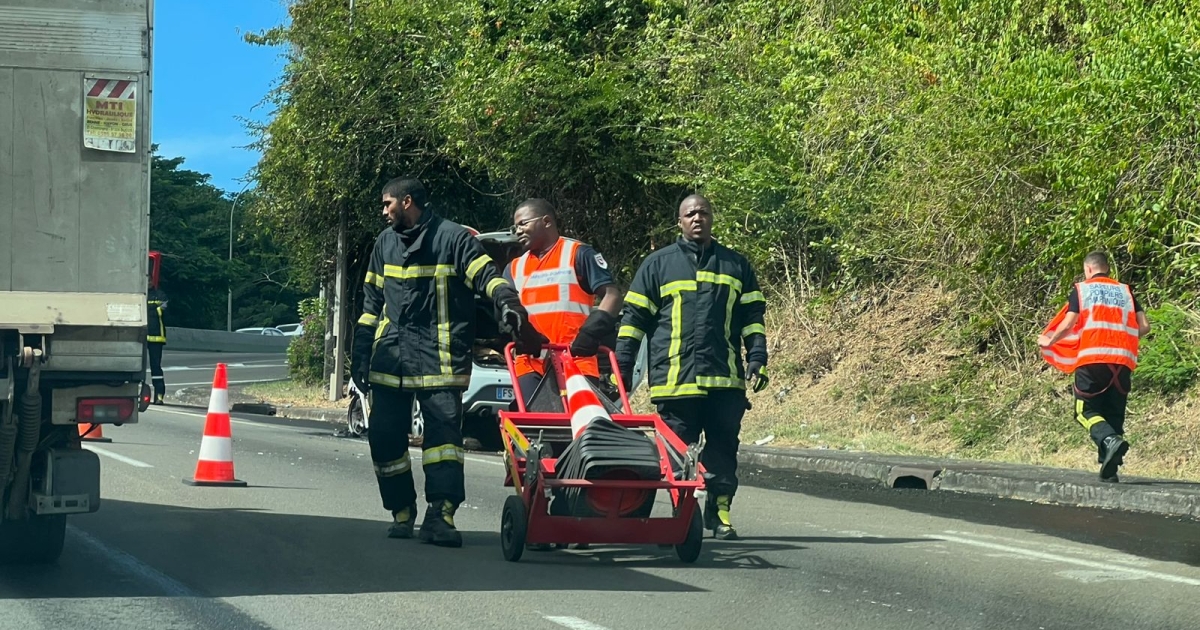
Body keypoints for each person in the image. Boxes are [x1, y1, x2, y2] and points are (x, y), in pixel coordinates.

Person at [351, 177, 545, 548]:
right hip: (390, 358)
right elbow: (371, 304)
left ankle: (440, 515)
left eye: (387, 203)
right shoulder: (384, 243)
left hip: (439, 358)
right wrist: (361, 352)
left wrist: (509, 304)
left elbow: (488, 277)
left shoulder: (453, 238)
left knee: (443, 443)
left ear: (407, 201)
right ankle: (401, 510)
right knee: (384, 437)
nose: (384, 211)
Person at [616, 194, 767, 540]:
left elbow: (752, 318)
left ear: (712, 218)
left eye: (703, 212)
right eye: (690, 213)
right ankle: (680, 513)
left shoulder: (736, 265)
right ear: (679, 221)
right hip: (674, 381)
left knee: (723, 449)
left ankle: (719, 513)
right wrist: (622, 367)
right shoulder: (657, 265)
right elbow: (633, 321)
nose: (697, 218)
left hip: (724, 380)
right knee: (674, 453)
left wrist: (757, 358)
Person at [1039, 251, 1150, 482]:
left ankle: (1109, 440)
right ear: (1107, 268)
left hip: (1093, 359)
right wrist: (1123, 337)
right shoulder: (1125, 291)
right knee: (1113, 414)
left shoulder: (1082, 290)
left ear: (1088, 269)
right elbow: (1145, 326)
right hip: (1122, 362)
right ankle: (1110, 472)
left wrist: (1050, 340)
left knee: (1085, 411)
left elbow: (1068, 324)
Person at [505, 198, 624, 407]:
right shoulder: (514, 268)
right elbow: (505, 309)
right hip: (531, 363)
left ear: (546, 221)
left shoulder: (579, 254)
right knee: (534, 425)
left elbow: (612, 295)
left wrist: (589, 335)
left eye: (523, 224)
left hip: (576, 358)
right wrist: (521, 334)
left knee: (581, 424)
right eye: (515, 227)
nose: (518, 231)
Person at [146, 283, 168, 405]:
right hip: (141, 336)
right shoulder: (140, 295)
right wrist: (154, 307)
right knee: (137, 367)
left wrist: (150, 308)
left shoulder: (160, 295)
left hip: (156, 336)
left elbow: (163, 310)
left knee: (156, 367)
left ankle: (159, 395)